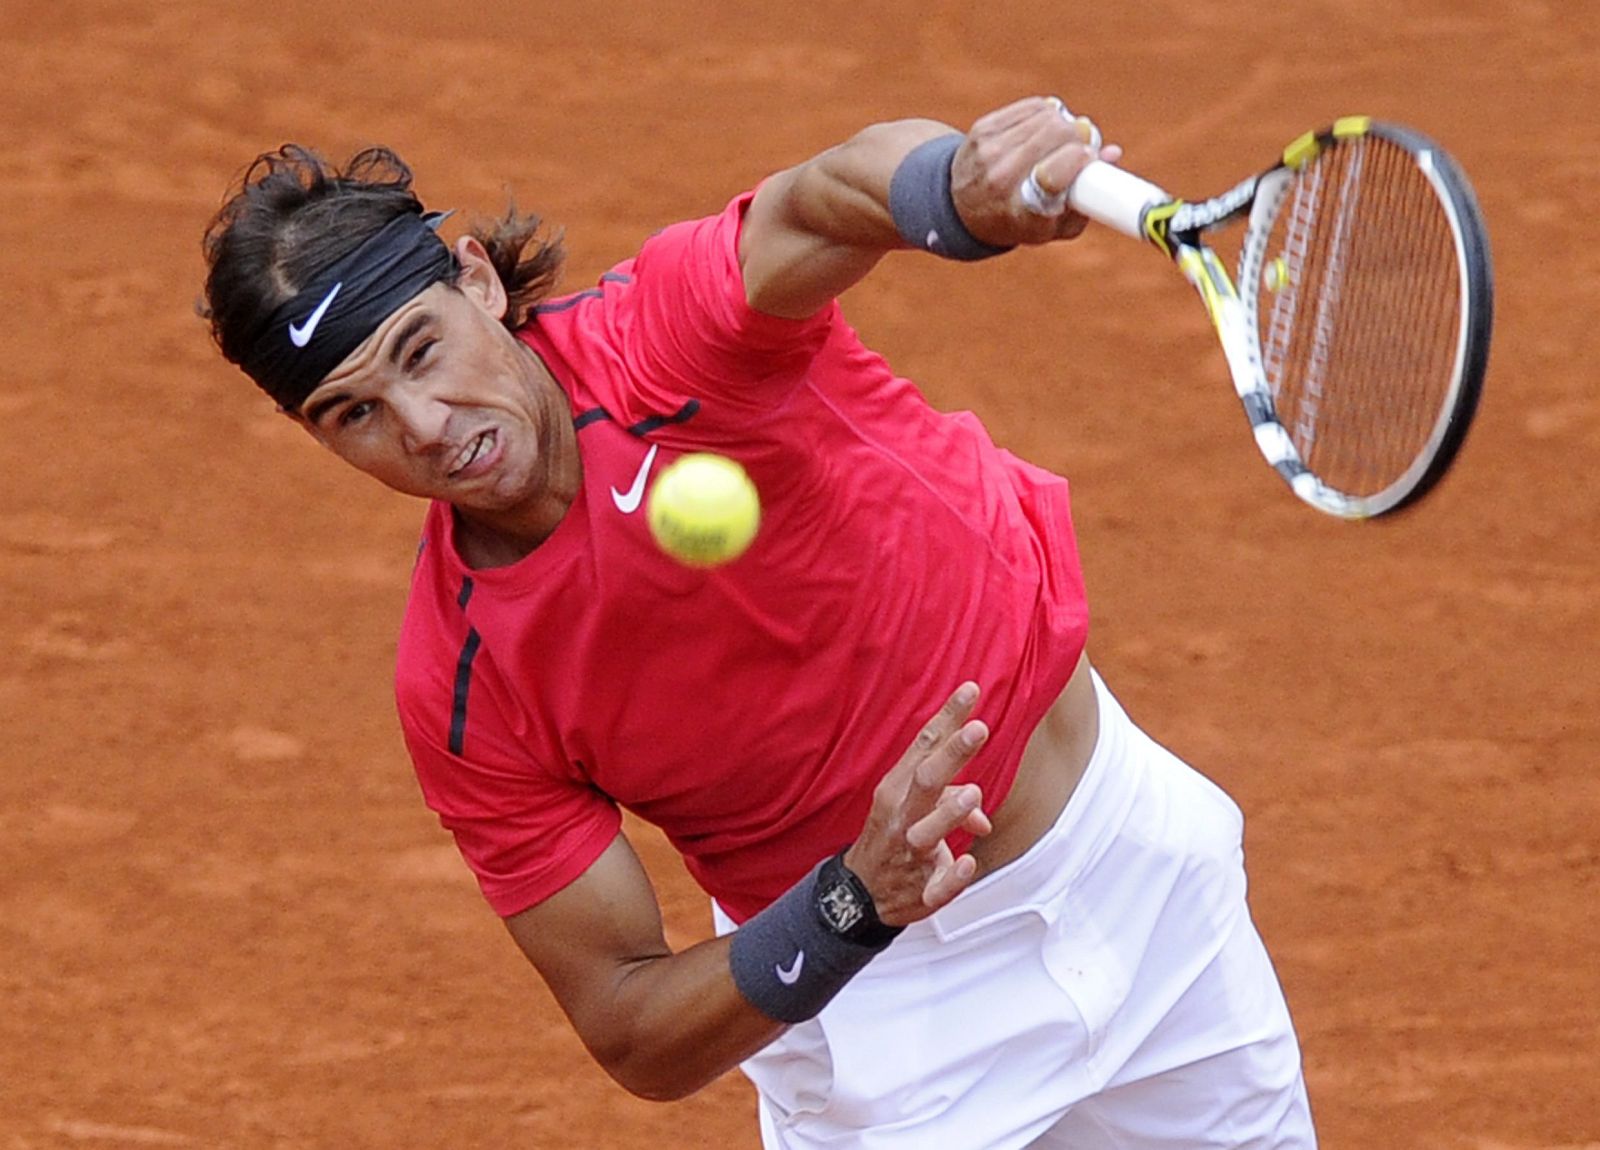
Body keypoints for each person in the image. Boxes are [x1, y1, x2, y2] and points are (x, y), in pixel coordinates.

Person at [201, 96, 1317, 1148]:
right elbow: (629, 1023)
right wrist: (853, 899)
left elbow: (825, 195)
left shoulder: (666, 337)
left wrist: (956, 186)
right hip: (896, 1031)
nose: (426, 426)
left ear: (478, 281)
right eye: (354, 414)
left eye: (420, 350)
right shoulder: (466, 684)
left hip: (1140, 873)